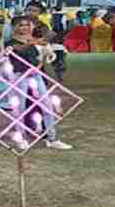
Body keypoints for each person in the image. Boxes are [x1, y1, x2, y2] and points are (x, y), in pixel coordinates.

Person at [5, 16, 72, 150]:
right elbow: (19, 49)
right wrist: (35, 42)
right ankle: (21, 139)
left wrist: (45, 55)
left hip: (35, 76)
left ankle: (52, 139)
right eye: (21, 25)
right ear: (14, 27)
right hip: (20, 77)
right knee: (20, 109)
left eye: (27, 25)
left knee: (47, 106)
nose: (25, 27)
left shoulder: (34, 42)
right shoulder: (10, 43)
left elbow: (38, 62)